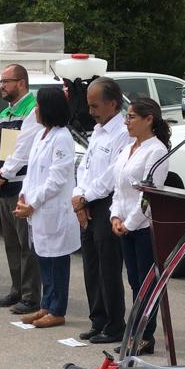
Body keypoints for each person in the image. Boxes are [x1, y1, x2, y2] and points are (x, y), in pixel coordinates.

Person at [13, 87, 79, 329]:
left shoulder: (62, 137)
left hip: (52, 209)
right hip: (38, 210)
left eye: (39, 106)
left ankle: (57, 309)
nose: (36, 110)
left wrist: (33, 203)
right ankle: (46, 304)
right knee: (43, 258)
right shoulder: (43, 134)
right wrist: (24, 196)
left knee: (57, 261)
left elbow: (56, 179)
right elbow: (32, 172)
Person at [110, 98, 171, 354]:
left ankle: (146, 334)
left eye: (132, 117)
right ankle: (135, 330)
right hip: (124, 223)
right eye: (127, 116)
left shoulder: (156, 150)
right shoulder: (128, 148)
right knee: (134, 280)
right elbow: (119, 188)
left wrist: (130, 223)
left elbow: (148, 194)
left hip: (144, 227)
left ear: (149, 119)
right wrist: (115, 216)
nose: (127, 122)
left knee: (146, 282)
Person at [73, 77, 132, 343]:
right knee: (91, 265)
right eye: (89, 105)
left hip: (106, 201)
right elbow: (85, 166)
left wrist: (86, 196)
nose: (91, 111)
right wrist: (78, 195)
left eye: (95, 105)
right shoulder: (98, 130)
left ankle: (114, 324)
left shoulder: (122, 132)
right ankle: (97, 320)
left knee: (108, 267)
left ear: (112, 103)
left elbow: (112, 175)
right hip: (88, 201)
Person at [0, 64, 42, 314]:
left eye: (5, 82)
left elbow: (23, 150)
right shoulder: (7, 112)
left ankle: (31, 296)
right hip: (4, 181)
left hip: (21, 183)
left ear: (21, 83)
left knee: (26, 245)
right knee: (11, 241)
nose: (1, 87)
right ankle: (17, 289)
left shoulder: (32, 111)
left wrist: (4, 174)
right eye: (1, 82)